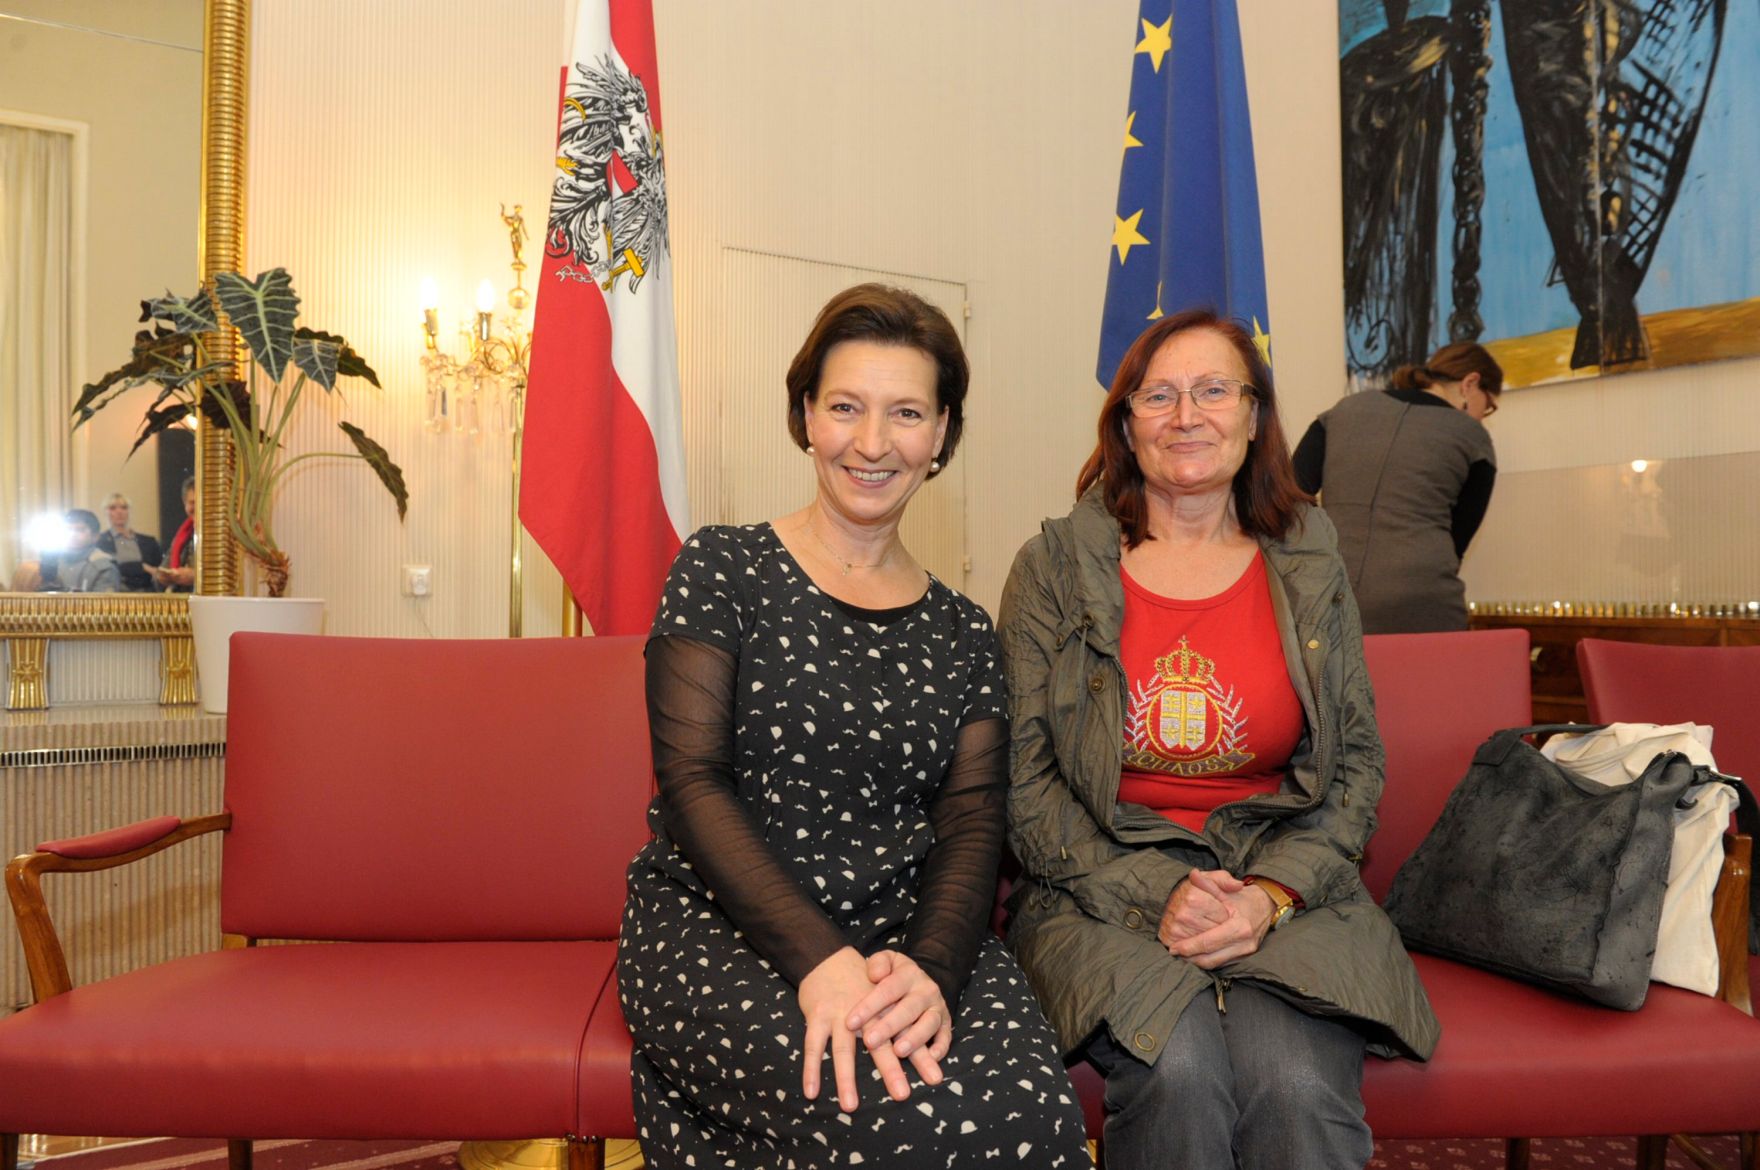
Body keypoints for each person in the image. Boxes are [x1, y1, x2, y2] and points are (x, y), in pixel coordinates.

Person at [618, 284, 1087, 1170]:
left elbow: (972, 826)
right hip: (724, 928)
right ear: (805, 414)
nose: (873, 444)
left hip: (913, 936)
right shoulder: (723, 568)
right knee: (898, 1127)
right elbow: (691, 786)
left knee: (1037, 1126)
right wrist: (820, 959)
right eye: (846, 408)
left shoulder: (965, 632)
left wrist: (932, 972)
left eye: (906, 412)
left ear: (942, 433)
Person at [999, 310, 1440, 1170]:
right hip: (1098, 885)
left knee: (1297, 1089)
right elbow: (1024, 779)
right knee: (1181, 1073)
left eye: (1212, 390)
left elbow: (1353, 763)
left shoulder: (1310, 554)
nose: (1185, 415)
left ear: (1253, 413)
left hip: (1283, 877)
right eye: (1157, 395)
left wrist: (1267, 896)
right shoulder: (1054, 565)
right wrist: (1155, 893)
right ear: (1126, 423)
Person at [1291, 342, 1503, 633]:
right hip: (1424, 609)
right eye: (1488, 406)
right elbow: (1457, 543)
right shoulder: (1473, 438)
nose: (1483, 417)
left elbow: (1289, 495)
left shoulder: (1341, 412)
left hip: (1329, 603)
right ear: (1470, 383)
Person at [95, 492, 165, 592]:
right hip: (115, 595)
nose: (119, 512)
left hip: (148, 595)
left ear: (129, 511)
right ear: (105, 512)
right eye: (113, 508)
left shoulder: (149, 541)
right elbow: (110, 568)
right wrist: (143, 567)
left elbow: (160, 570)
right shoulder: (100, 542)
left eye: (124, 507)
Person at [41, 509, 122, 593]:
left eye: (80, 530)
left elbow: (103, 604)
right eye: (68, 529)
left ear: (95, 536)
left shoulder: (104, 567)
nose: (72, 534)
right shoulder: (51, 563)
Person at [146, 477, 197, 592]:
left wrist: (196, 577)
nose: (198, 507)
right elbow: (162, 572)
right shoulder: (182, 536)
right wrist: (162, 577)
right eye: (192, 503)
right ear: (185, 504)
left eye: (203, 502)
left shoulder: (223, 535)